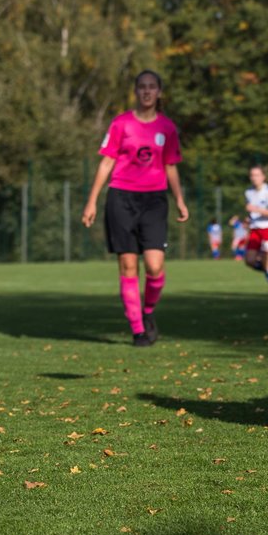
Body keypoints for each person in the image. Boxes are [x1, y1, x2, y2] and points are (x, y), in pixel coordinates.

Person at [81, 70, 189, 346]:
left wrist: (179, 199)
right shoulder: (121, 124)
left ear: (159, 92)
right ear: (136, 91)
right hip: (121, 198)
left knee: (154, 266)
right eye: (142, 87)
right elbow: (106, 162)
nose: (147, 91)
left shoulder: (166, 128)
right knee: (128, 265)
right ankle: (138, 329)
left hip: (154, 200)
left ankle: (148, 311)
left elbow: (171, 166)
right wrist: (92, 200)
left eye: (152, 87)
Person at [242, 166, 268, 296]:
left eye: (257, 175)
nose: (254, 178)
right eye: (252, 175)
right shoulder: (248, 192)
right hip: (255, 229)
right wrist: (248, 219)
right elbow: (251, 212)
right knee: (249, 260)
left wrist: (256, 209)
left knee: (266, 258)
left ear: (263, 177)